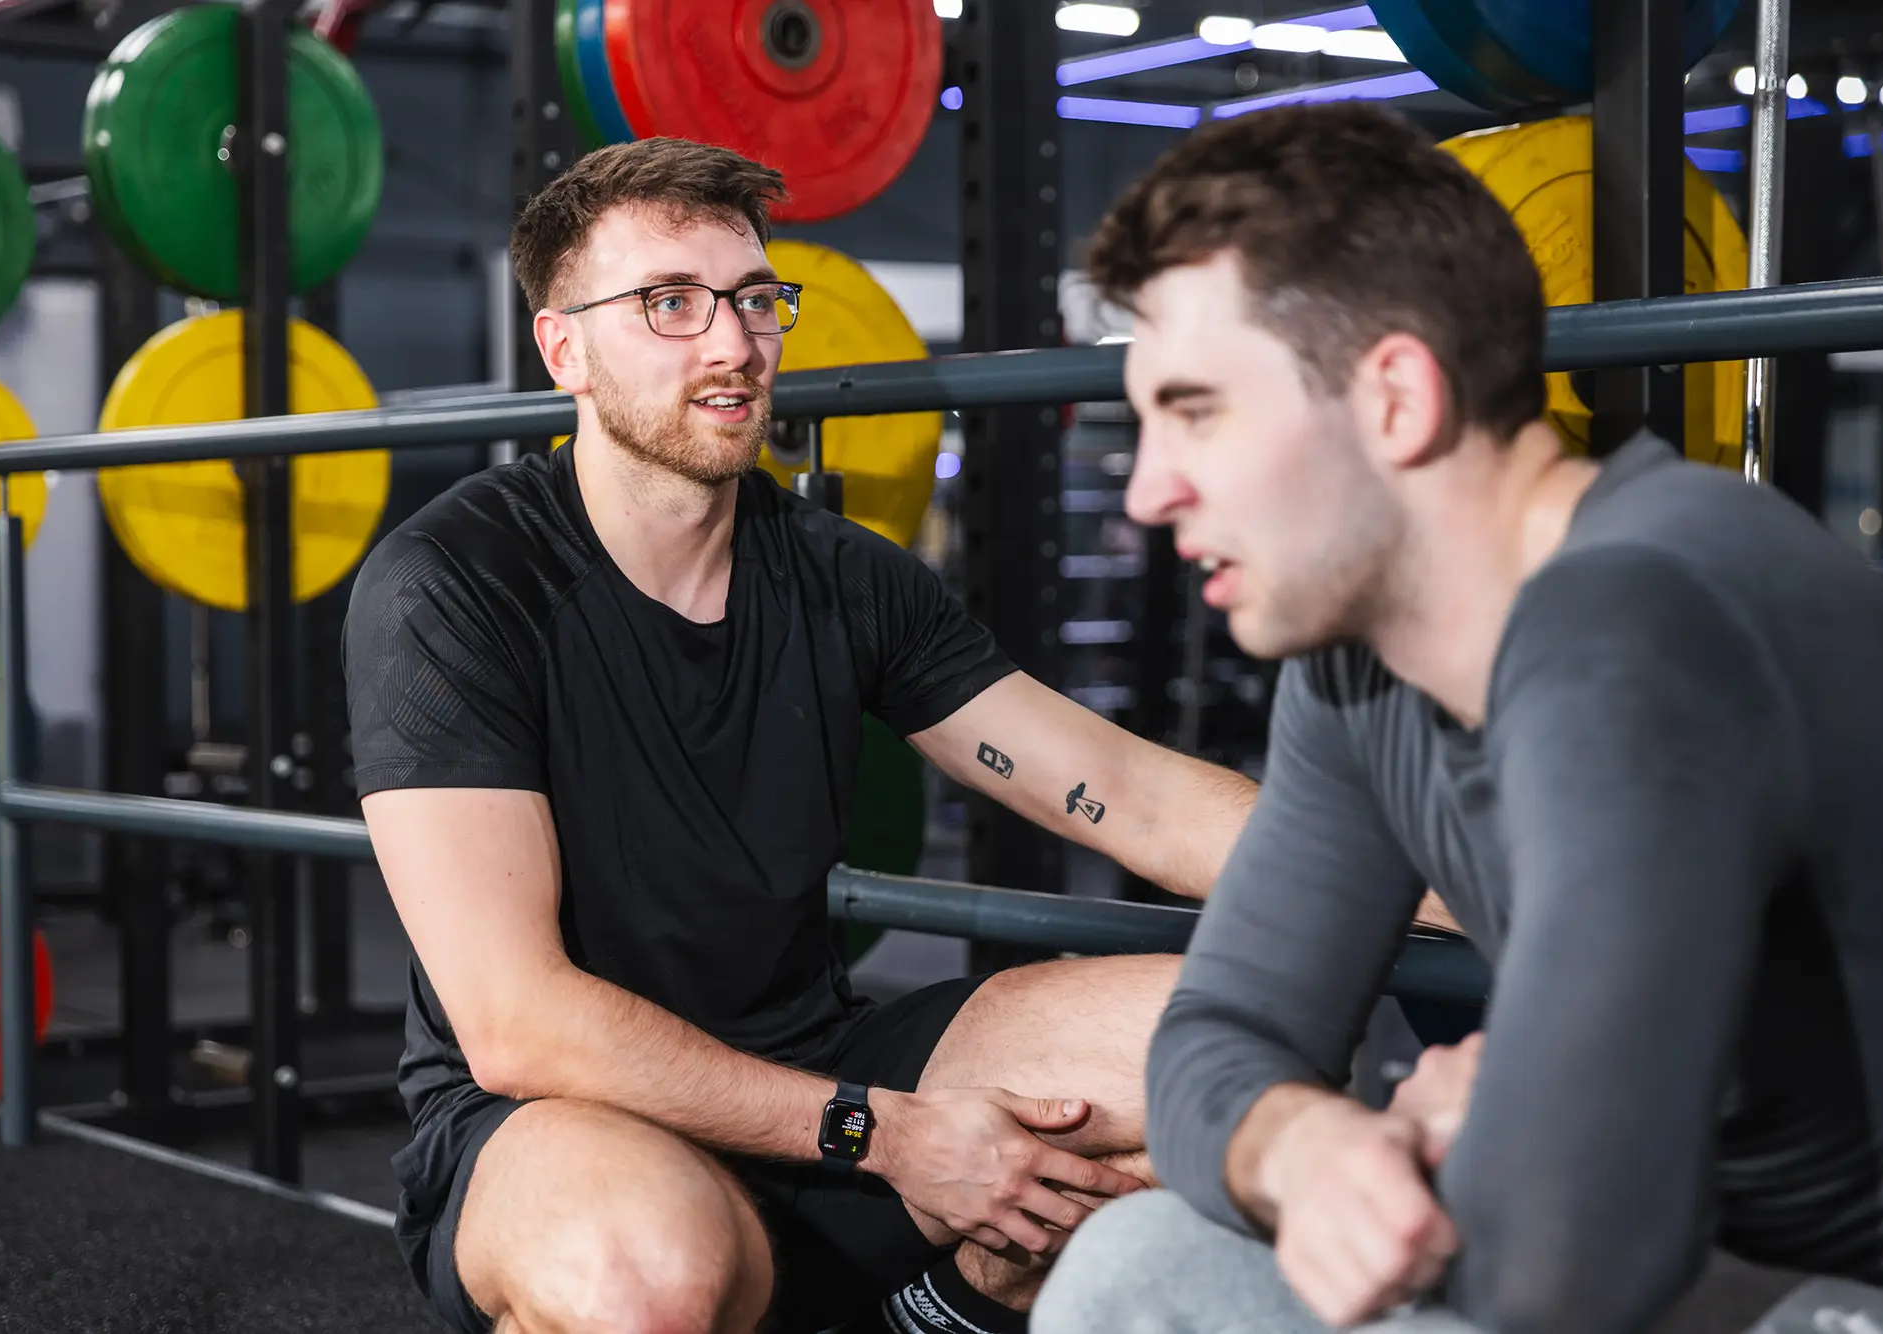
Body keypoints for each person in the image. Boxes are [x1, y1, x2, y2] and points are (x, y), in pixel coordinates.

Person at [1029, 102, 1883, 1334]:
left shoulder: (1637, 625)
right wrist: (1304, 1143)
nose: (1149, 490)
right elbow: (1219, 1035)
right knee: (1141, 1261)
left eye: (1197, 410)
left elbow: (1560, 1266)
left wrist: (1454, 1137)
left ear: (1394, 398)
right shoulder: (1362, 664)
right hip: (1689, 1266)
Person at [342, 136, 1276, 1334]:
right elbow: (516, 1021)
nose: (731, 344)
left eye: (750, 297)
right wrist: (886, 1133)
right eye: (668, 303)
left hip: (820, 1063)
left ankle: (934, 1314)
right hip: (568, 1117)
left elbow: (1121, 791)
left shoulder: (844, 576)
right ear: (562, 347)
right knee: (642, 1278)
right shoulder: (453, 582)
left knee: (1239, 1048)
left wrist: (1435, 878)